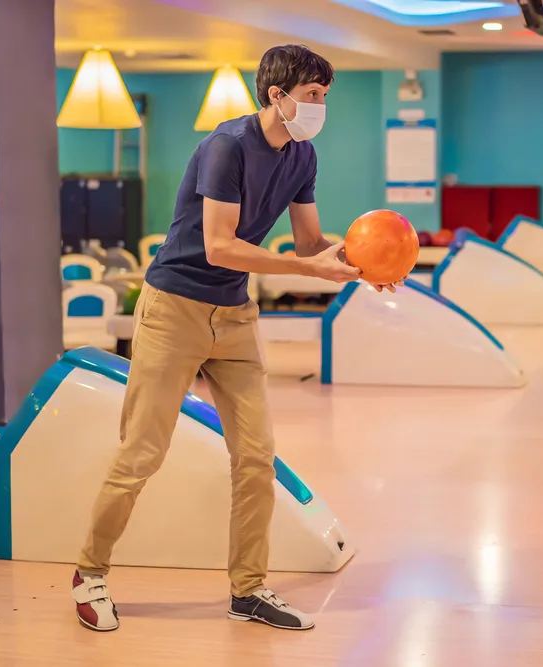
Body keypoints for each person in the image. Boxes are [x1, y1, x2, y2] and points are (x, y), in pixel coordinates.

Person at [70, 44, 400, 633]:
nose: (322, 106)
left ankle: (248, 589)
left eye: (326, 96)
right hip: (174, 308)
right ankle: (90, 572)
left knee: (255, 458)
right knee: (142, 452)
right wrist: (312, 271)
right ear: (278, 95)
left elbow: (307, 243)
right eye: (313, 95)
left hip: (235, 314)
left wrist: (361, 263)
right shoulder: (226, 147)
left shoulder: (303, 154)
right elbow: (220, 246)